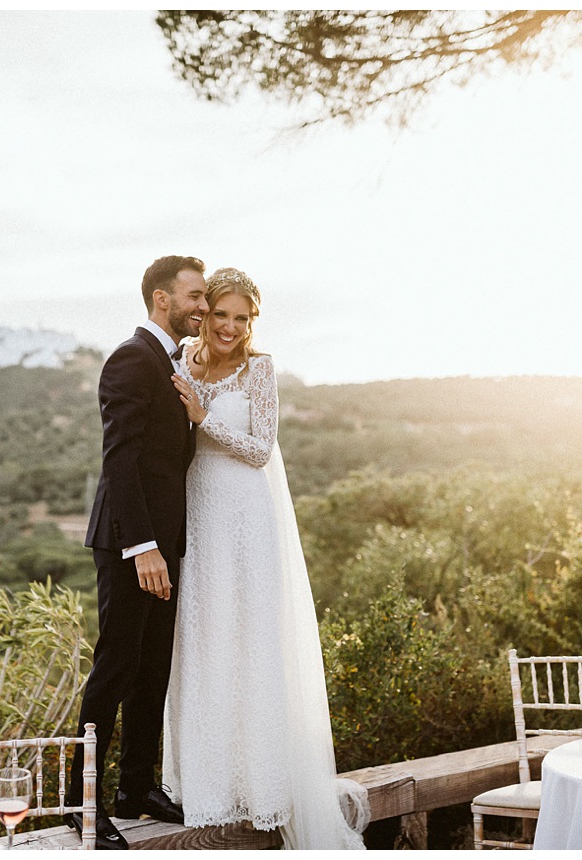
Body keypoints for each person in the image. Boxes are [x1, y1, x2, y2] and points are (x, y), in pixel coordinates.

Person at [162, 268, 369, 850]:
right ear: (205, 314)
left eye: (241, 318)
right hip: (198, 516)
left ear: (253, 321)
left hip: (247, 517)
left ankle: (264, 785)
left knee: (253, 641)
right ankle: (204, 784)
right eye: (221, 314)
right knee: (204, 638)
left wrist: (204, 419)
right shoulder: (180, 360)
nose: (229, 327)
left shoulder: (260, 369)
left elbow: (261, 449)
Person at [63, 255, 209, 850]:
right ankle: (82, 802)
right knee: (116, 668)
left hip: (164, 545)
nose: (201, 307)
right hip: (133, 544)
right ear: (160, 300)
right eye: (195, 297)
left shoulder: (171, 363)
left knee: (153, 670)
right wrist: (143, 548)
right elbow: (119, 459)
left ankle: (136, 788)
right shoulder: (132, 359)